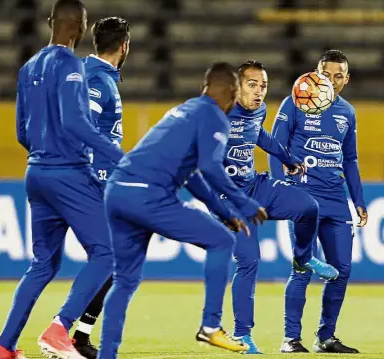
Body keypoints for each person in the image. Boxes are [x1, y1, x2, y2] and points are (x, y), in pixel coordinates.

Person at [98, 62, 269, 358]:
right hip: (148, 196)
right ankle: (210, 326)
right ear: (231, 92)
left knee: (124, 280)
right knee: (222, 241)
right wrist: (243, 203)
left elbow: (192, 175)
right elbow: (210, 167)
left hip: (117, 192)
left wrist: (224, 212)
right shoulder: (215, 116)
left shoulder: (184, 110)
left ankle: (106, 355)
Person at [0, 1, 124, 359]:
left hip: (35, 172)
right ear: (80, 28)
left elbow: (21, 131)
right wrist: (121, 158)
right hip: (67, 172)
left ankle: (4, 348)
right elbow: (77, 123)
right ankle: (59, 328)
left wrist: (43, 152)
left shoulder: (29, 65)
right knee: (108, 252)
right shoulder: (71, 65)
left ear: (51, 22)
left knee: (43, 265)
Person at [216, 60, 339, 354]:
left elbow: (260, 135)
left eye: (263, 86)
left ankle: (304, 258)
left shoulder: (258, 110)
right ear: (237, 86)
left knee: (308, 206)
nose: (259, 92)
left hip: (255, 186)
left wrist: (286, 158)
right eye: (252, 85)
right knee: (249, 262)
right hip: (227, 198)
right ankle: (242, 334)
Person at [269, 49, 368, 354]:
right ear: (316, 72)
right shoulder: (295, 103)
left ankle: (326, 337)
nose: (332, 80)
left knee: (341, 270)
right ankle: (290, 339)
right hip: (303, 198)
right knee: (302, 268)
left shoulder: (346, 112)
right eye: (327, 74)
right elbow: (276, 148)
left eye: (339, 75)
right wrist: (282, 190)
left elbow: (350, 159)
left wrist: (359, 200)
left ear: (346, 79)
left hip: (337, 200)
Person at [72, 16, 130, 359]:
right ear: (124, 46)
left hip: (102, 179)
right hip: (95, 181)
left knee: (112, 259)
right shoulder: (96, 78)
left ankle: (76, 334)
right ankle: (68, 333)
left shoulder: (99, 76)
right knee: (111, 258)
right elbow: (85, 128)